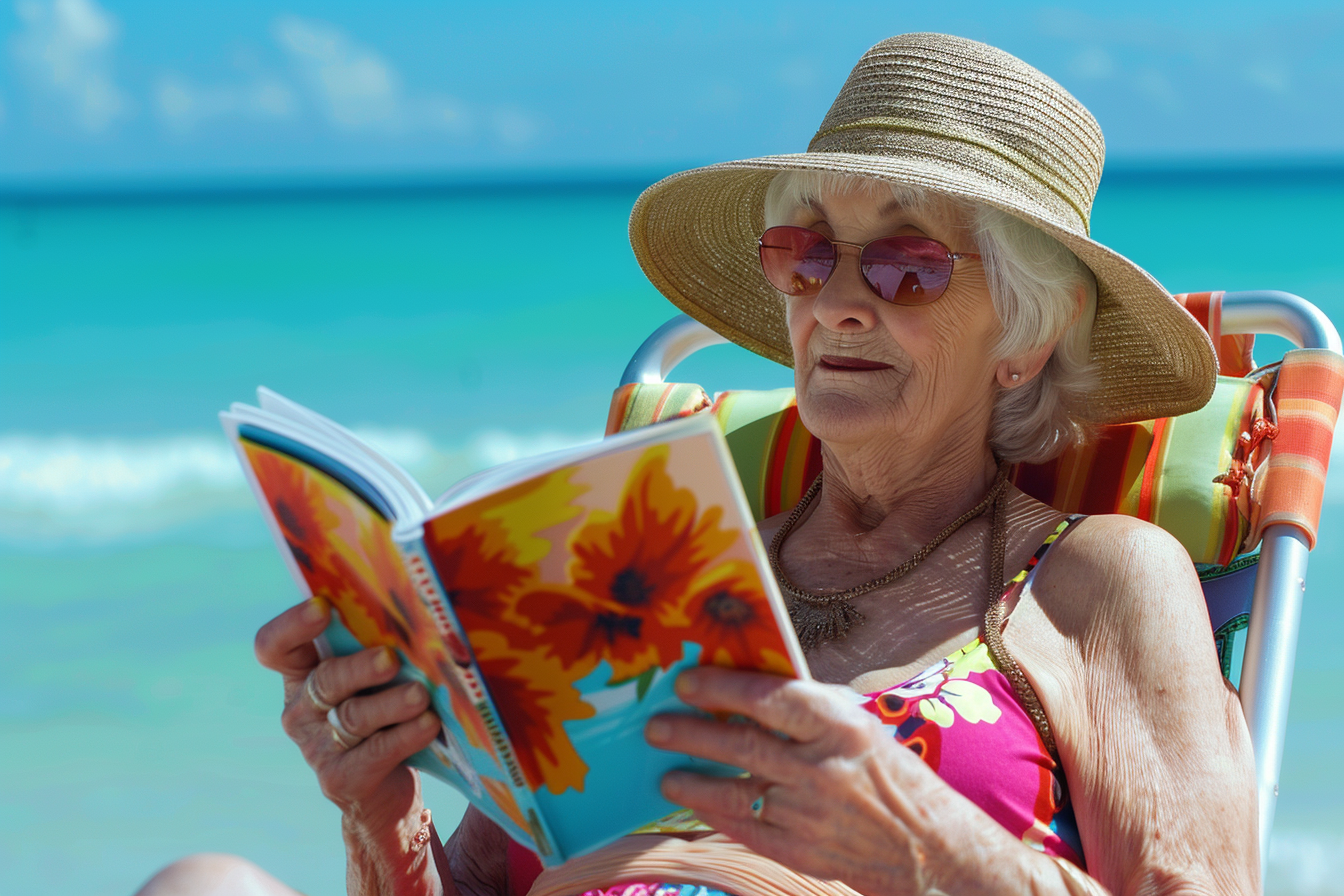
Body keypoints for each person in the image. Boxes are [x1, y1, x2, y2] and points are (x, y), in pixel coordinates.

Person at [139, 32, 1258, 896]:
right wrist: (379, 807)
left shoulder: (1096, 579)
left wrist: (929, 849)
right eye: (806, 251)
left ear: (1023, 339)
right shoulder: (658, 570)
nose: (838, 299)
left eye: (908, 263)